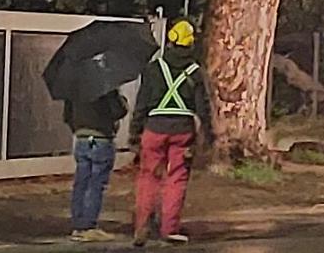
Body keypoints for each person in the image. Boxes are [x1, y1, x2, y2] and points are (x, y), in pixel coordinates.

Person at [129, 19, 213, 246]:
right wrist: (209, 135)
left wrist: (134, 134)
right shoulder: (195, 71)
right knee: (176, 178)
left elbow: (142, 103)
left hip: (154, 129)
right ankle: (170, 229)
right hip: (183, 131)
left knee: (148, 177)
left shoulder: (154, 68)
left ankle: (142, 225)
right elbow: (203, 108)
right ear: (191, 44)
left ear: (170, 41)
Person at [64, 90, 128, 242]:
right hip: (101, 138)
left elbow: (67, 116)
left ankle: (78, 225)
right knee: (96, 184)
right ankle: (89, 226)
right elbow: (119, 111)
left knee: (81, 183)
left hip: (82, 139)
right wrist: (121, 98)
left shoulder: (74, 87)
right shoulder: (106, 85)